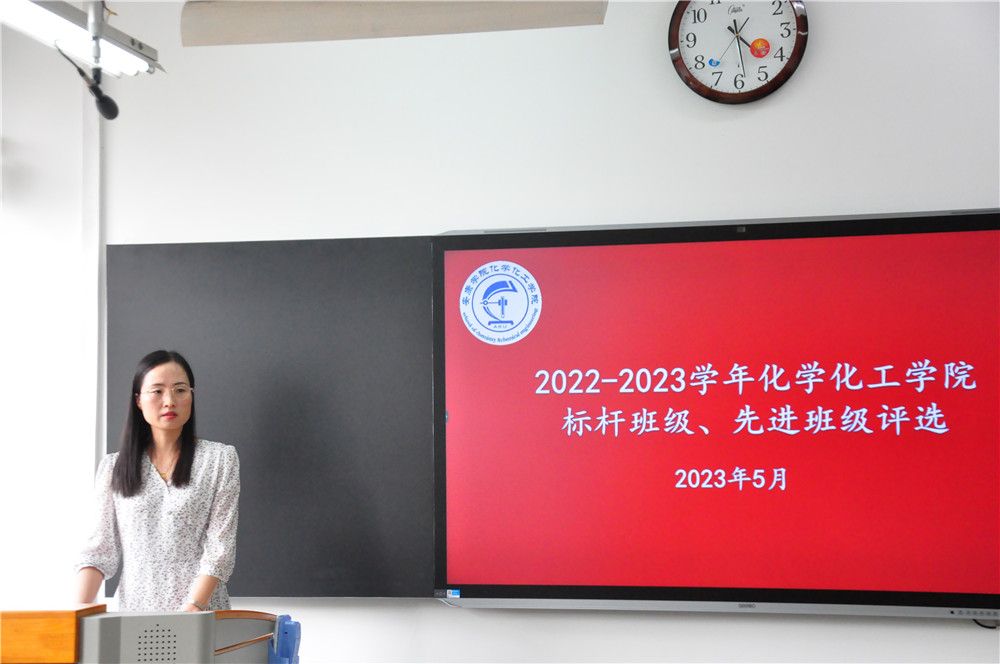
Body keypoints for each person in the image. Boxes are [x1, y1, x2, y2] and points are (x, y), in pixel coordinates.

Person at [75, 350, 240, 612]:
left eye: (180, 390)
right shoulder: (114, 467)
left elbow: (220, 548)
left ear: (192, 396)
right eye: (157, 391)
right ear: (138, 400)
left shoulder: (219, 459)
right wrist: (76, 613)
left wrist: (193, 608)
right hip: (134, 614)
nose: (169, 401)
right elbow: (98, 552)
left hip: (202, 614)